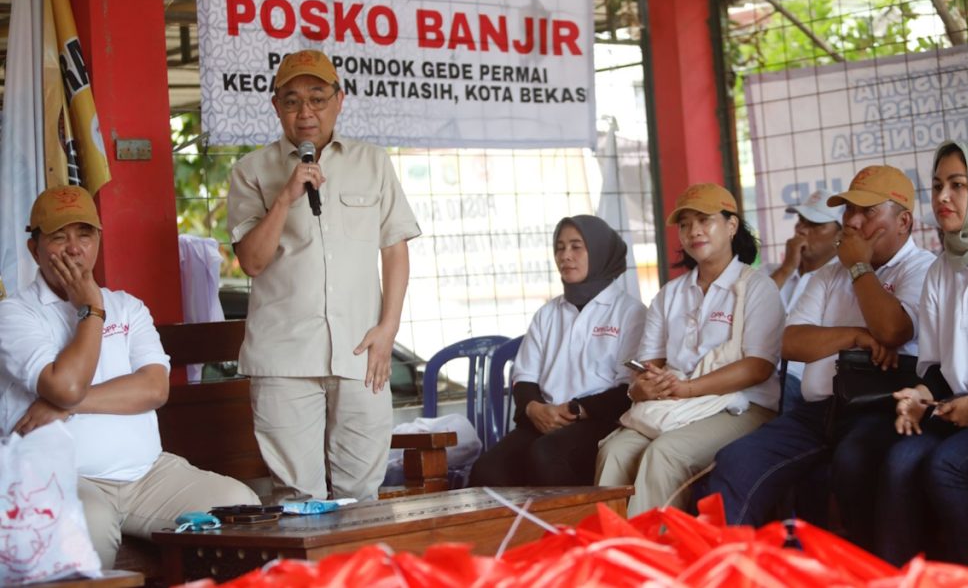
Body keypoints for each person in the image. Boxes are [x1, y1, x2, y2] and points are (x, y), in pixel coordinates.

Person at [0, 186, 259, 569]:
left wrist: (66, 407)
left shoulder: (128, 307)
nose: (74, 248)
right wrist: (91, 309)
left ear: (98, 241)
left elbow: (154, 388)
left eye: (84, 235)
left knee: (241, 511)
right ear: (33, 248)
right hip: (58, 477)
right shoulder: (15, 314)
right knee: (88, 529)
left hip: (149, 475)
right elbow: (65, 385)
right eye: (59, 237)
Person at [703, 165, 935, 547]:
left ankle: (864, 572)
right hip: (819, 412)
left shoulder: (922, 268)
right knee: (736, 462)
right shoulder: (828, 275)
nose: (854, 222)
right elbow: (791, 342)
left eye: (868, 212)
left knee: (852, 463)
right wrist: (859, 336)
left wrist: (859, 265)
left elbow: (894, 330)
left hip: (883, 408)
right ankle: (733, 568)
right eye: (848, 211)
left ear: (904, 221)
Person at [226, 50, 421, 503]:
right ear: (276, 107)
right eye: (292, 101)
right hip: (284, 360)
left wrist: (388, 327)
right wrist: (286, 197)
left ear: (340, 100)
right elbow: (252, 262)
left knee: (362, 494)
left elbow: (394, 248)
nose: (306, 112)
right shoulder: (250, 171)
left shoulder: (372, 162)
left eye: (317, 97)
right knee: (298, 498)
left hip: (362, 353)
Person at [595, 183, 785, 517]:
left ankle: (657, 558)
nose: (693, 231)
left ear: (731, 225)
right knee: (614, 450)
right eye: (685, 224)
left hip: (742, 406)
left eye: (704, 220)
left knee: (666, 453)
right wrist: (642, 386)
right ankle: (611, 553)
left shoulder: (756, 287)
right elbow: (648, 363)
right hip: (676, 404)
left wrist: (689, 388)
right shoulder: (671, 294)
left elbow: (758, 367)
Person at [876, 141, 968, 565]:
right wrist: (921, 397)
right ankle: (898, 576)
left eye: (958, 185)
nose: (942, 197)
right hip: (964, 404)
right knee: (899, 460)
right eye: (938, 185)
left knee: (947, 466)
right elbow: (941, 367)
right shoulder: (943, 267)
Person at [468, 215, 646, 487]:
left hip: (600, 421)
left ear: (599, 252)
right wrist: (535, 409)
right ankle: (519, 532)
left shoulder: (630, 313)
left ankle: (570, 530)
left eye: (576, 247)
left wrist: (575, 410)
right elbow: (524, 377)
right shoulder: (548, 313)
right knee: (487, 470)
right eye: (560, 248)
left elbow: (629, 389)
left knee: (547, 454)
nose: (566, 256)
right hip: (544, 419)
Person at [768, 189, 844, 411]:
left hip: (803, 382)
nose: (801, 229)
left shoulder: (845, 280)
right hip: (757, 372)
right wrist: (787, 268)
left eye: (815, 224)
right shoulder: (771, 273)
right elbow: (743, 316)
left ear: (840, 235)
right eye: (801, 220)